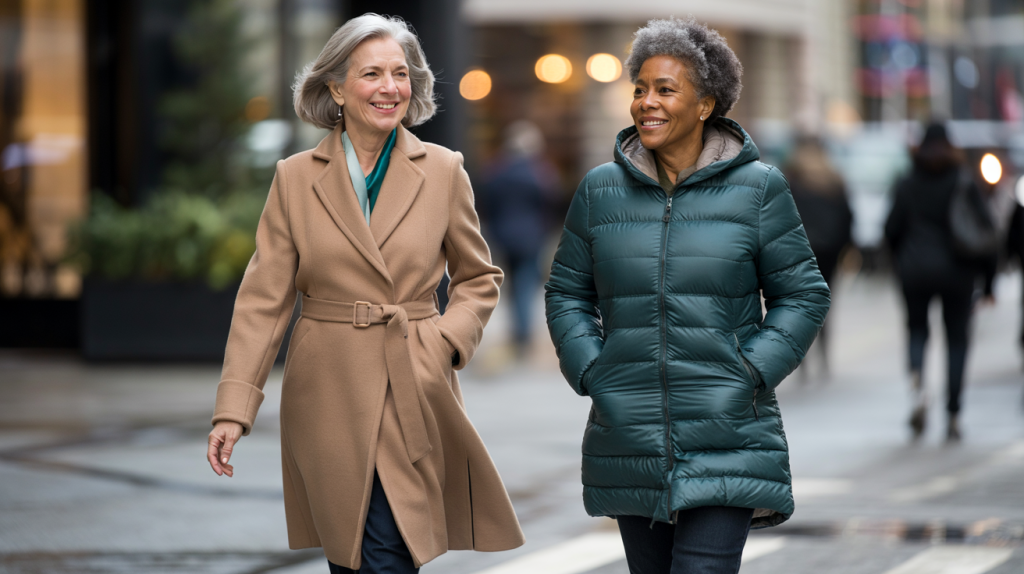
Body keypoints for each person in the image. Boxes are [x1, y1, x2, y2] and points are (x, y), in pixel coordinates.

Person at [205, 14, 524, 573]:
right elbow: (264, 299)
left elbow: (478, 277)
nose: (389, 88)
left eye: (400, 74)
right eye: (372, 74)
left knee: (386, 548)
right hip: (327, 390)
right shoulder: (295, 178)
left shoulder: (445, 170)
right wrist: (234, 409)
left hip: (412, 382)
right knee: (351, 556)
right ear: (335, 89)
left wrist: (443, 344)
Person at [544, 16, 829, 574]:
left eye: (665, 90)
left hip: (729, 431)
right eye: (640, 89)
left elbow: (803, 295)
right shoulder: (600, 190)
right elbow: (566, 291)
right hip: (630, 432)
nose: (646, 102)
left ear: (705, 105)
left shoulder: (758, 188)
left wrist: (748, 371)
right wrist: (592, 369)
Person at [884, 123, 991, 442]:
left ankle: (918, 387)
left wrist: (899, 263)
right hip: (958, 272)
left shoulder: (907, 181)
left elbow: (891, 230)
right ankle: (954, 412)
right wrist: (990, 281)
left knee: (917, 330)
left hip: (915, 270)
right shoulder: (963, 180)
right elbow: (986, 231)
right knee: (957, 339)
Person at [480, 120, 560, 359]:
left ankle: (518, 331)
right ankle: (523, 335)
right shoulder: (540, 172)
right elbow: (552, 202)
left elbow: (487, 203)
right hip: (532, 236)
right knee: (527, 282)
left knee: (514, 284)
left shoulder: (496, 171)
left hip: (504, 235)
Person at [785, 137, 853, 375]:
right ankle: (824, 353)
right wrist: (844, 246)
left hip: (799, 251)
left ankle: (801, 356)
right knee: (824, 302)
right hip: (829, 251)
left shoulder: (792, 179)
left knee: (799, 303)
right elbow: (848, 216)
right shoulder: (834, 179)